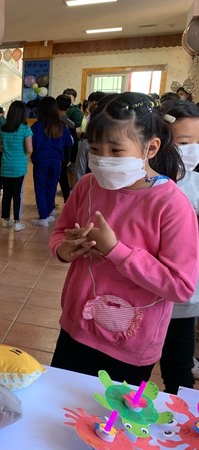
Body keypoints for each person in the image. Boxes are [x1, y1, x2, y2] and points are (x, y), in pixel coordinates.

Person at [49, 92, 199, 386]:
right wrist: (65, 250)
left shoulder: (171, 204)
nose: (103, 159)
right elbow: (59, 234)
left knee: (109, 424)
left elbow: (180, 287)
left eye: (116, 150)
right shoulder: (87, 185)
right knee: (60, 408)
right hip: (76, 328)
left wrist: (116, 251)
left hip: (129, 345)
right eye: (95, 148)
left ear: (150, 148)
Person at [159, 99, 199, 394]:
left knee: (178, 368)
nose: (189, 150)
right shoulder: (145, 181)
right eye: (182, 142)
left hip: (185, 294)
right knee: (133, 370)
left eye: (193, 142)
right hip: (144, 291)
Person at [0, 101, 32, 232]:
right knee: (18, 195)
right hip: (19, 168)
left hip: (5, 167)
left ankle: (5, 220)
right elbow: (29, 149)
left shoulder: (3, 129)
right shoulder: (25, 129)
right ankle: (17, 222)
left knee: (6, 194)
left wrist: (6, 149)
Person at [55, 94, 75, 203]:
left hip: (55, 152)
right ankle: (67, 200)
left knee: (54, 177)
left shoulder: (52, 122)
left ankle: (50, 202)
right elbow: (73, 142)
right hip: (66, 153)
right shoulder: (70, 123)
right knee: (63, 177)